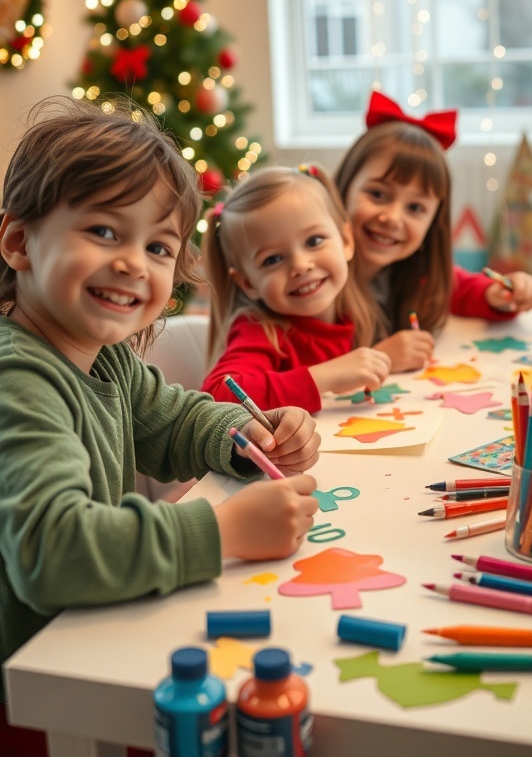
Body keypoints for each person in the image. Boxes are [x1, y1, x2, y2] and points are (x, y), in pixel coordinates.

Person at [0, 97, 320, 757]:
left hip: (93, 643)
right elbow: (51, 551)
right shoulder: (18, 379)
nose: (133, 263)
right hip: (34, 698)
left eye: (158, 246)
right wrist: (223, 530)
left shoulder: (105, 356)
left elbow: (175, 420)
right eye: (103, 232)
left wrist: (248, 435)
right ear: (16, 242)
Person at [334, 90, 532, 373]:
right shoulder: (313, 279)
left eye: (416, 208)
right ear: (343, 188)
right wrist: (380, 357)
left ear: (433, 223)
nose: (393, 218)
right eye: (378, 194)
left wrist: (500, 295)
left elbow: (459, 287)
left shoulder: (415, 272)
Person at [201, 164, 391, 412]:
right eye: (272, 259)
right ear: (247, 283)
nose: (301, 266)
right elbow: (216, 395)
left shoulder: (354, 307)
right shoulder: (260, 330)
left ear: (346, 241)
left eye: (314, 241)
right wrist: (325, 376)